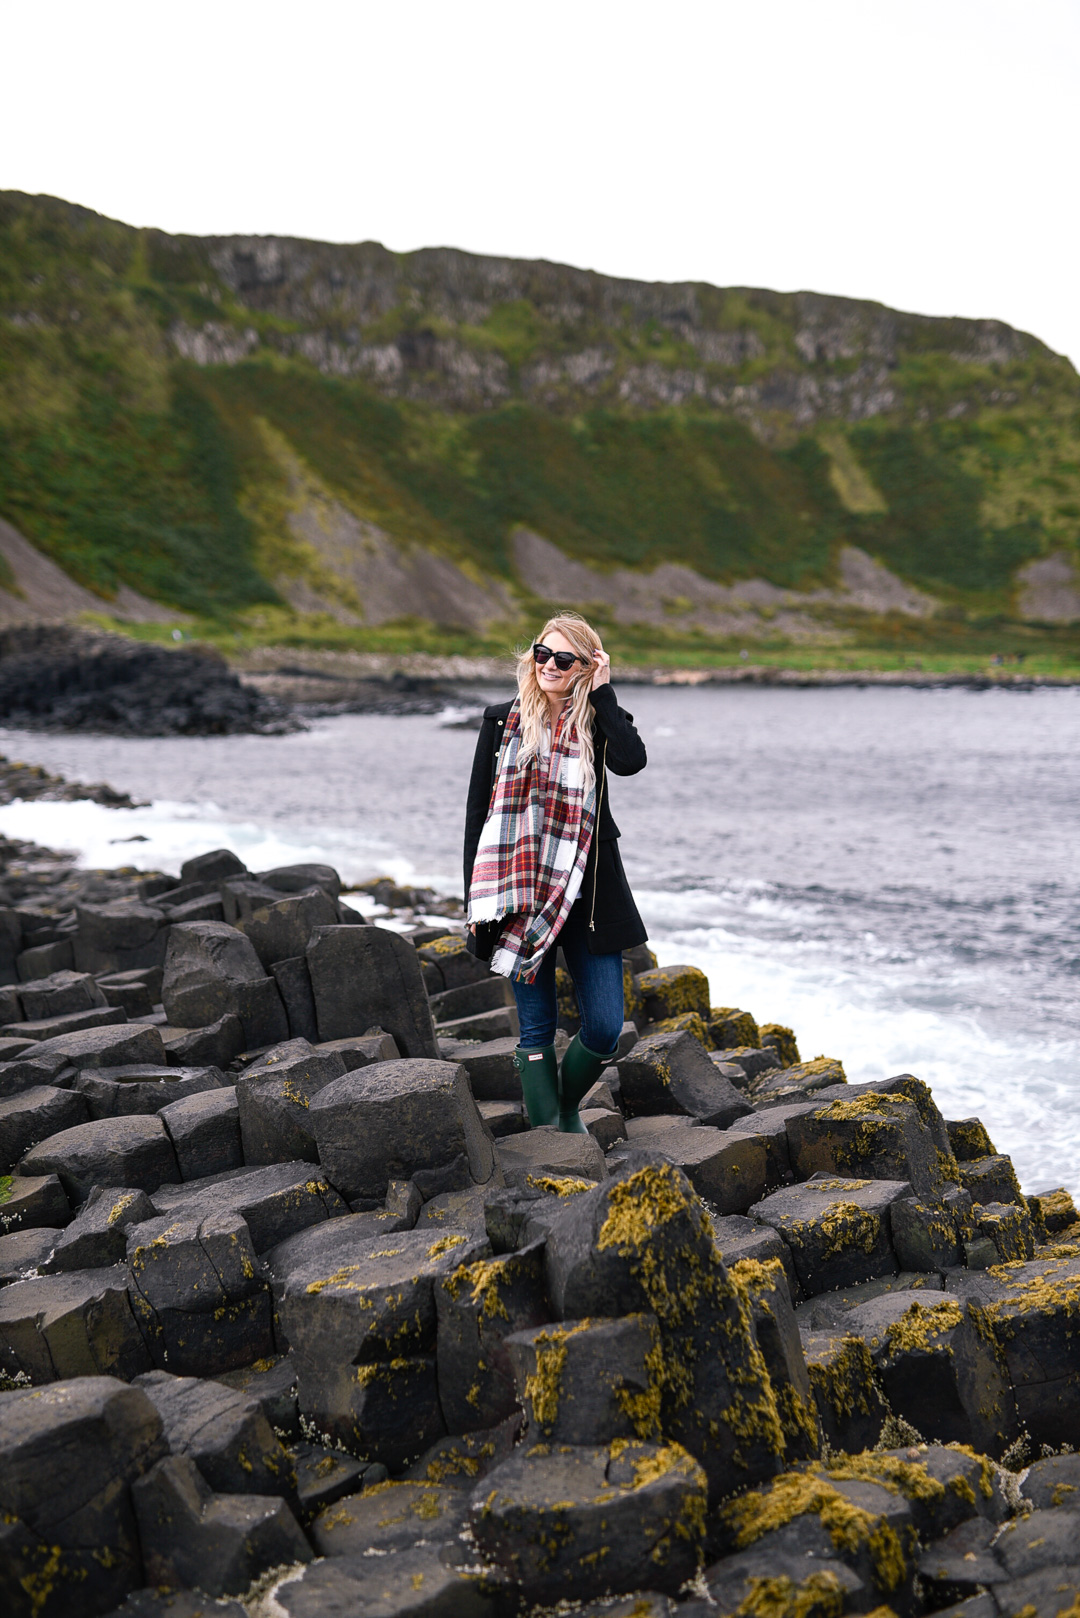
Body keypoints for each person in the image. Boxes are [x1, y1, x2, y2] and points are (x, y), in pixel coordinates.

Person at [463, 612, 648, 1133]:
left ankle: (565, 1107)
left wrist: (604, 694)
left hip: (588, 894)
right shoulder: (502, 722)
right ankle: (552, 1137)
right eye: (541, 653)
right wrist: (473, 903)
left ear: (585, 667)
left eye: (563, 659)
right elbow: (478, 817)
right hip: (517, 893)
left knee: (607, 1027)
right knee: (537, 1029)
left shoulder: (600, 722)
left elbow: (632, 762)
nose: (547, 664)